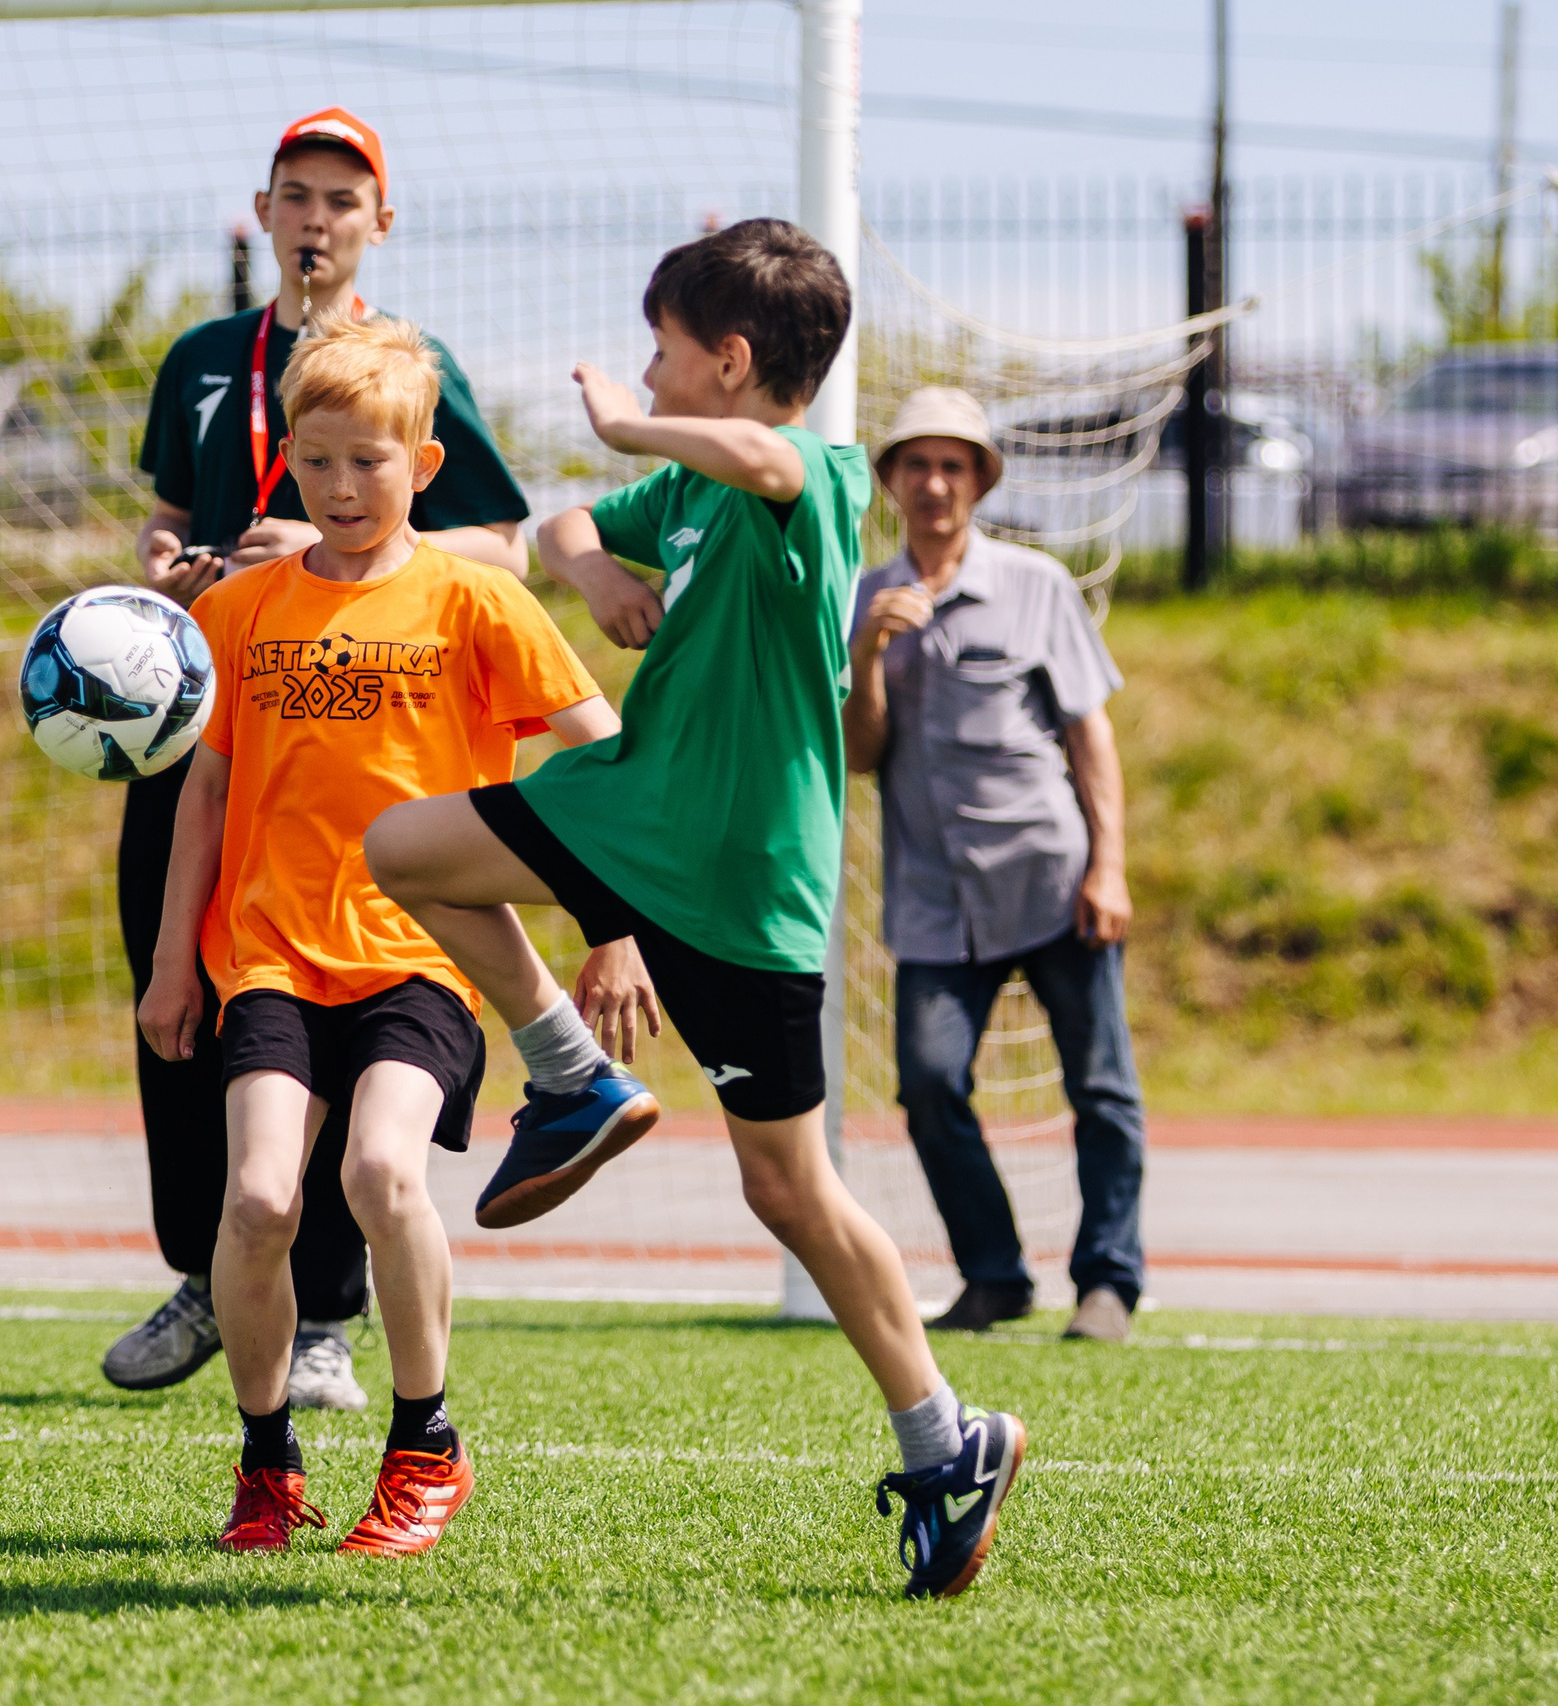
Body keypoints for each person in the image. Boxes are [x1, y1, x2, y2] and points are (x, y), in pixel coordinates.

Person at [366, 220, 1025, 1600]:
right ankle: (570, 1073)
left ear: (725, 362)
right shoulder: (683, 491)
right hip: (638, 812)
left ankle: (946, 1438)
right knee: (402, 846)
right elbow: (563, 526)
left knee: (787, 1186)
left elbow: (766, 460)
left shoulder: (817, 478)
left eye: (662, 349)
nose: (647, 369)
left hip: (741, 875)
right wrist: (595, 567)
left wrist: (630, 424)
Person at [137, 313, 625, 1554]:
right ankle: (266, 1465)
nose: (342, 486)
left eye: (370, 460)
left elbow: (605, 755)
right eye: (316, 461)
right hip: (267, 954)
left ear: (425, 464)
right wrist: (170, 960)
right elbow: (205, 793)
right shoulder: (242, 607)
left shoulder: (476, 598)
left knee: (378, 1173)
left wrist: (611, 923)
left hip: (421, 956)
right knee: (256, 1199)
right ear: (287, 461)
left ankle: (424, 1444)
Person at [104, 107, 537, 1409]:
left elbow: (505, 547)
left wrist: (323, 547)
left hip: (351, 734)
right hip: (208, 717)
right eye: (296, 195)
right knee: (185, 999)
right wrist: (171, 567)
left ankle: (328, 1313)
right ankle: (212, 1267)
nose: (316, 219)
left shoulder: (406, 366)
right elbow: (166, 518)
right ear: (264, 210)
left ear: (378, 224)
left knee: (350, 1009)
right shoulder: (201, 358)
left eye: (342, 201)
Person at [842, 387, 1146, 1345]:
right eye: (917, 465)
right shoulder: (863, 597)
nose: (935, 483)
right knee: (930, 1084)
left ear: (979, 482)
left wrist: (1109, 868)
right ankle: (994, 1275)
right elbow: (860, 754)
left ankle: (1108, 1284)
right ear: (891, 481)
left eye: (954, 465)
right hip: (935, 897)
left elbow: (1090, 735)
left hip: (1052, 878)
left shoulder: (1037, 584)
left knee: (1101, 1090)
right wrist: (869, 650)